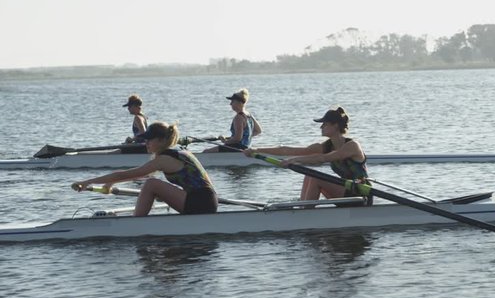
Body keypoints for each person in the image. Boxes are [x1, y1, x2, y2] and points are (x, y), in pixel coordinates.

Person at [72, 121, 218, 216]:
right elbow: (136, 176)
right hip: (208, 201)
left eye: (149, 139)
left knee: (151, 184)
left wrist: (87, 182)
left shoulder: (164, 159)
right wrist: (110, 183)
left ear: (161, 140)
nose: (146, 142)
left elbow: (128, 173)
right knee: (152, 184)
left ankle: (137, 223)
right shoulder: (181, 153)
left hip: (200, 203)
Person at [243, 106, 371, 206]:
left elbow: (323, 158)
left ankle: (304, 213)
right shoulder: (325, 146)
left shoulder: (352, 146)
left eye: (324, 124)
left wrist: (295, 160)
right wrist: (256, 150)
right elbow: (288, 150)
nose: (321, 127)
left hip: (361, 194)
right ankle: (302, 207)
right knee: (309, 175)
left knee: (316, 177)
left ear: (335, 125)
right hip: (347, 193)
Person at [204, 88, 262, 152]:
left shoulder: (238, 118)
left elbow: (237, 139)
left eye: (232, 101)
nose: (230, 104)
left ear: (239, 102)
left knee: (206, 151)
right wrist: (244, 136)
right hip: (246, 148)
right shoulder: (249, 115)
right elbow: (258, 131)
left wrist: (225, 141)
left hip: (236, 148)